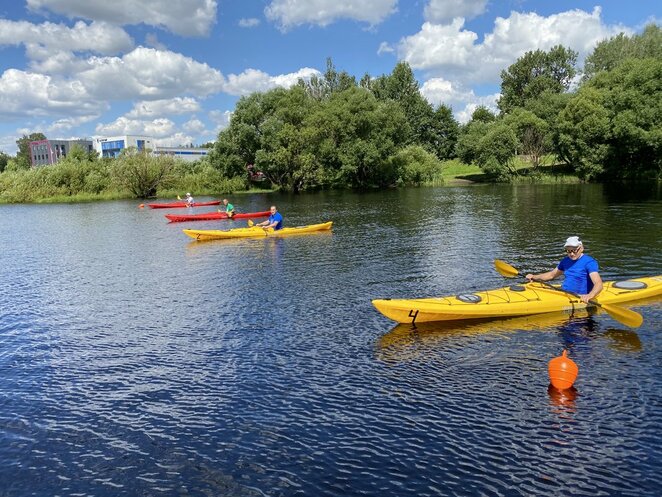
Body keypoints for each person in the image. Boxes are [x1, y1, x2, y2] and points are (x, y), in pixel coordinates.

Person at [526, 236, 603, 304]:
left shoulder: (589, 262)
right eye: (568, 251)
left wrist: (590, 295)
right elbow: (551, 275)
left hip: (578, 297)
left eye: (574, 250)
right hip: (563, 294)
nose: (571, 254)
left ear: (581, 248)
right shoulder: (565, 261)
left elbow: (598, 284)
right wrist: (533, 276)